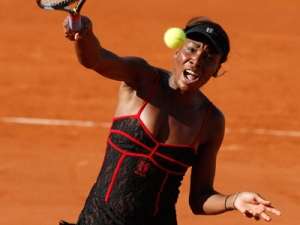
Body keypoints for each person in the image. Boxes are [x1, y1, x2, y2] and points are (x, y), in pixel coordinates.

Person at [60, 15, 281, 225]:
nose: (196, 60)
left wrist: (234, 200)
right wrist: (83, 31)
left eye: (209, 58)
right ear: (177, 52)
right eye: (192, 49)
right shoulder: (142, 79)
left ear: (216, 70)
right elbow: (95, 58)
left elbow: (200, 198)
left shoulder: (211, 121)